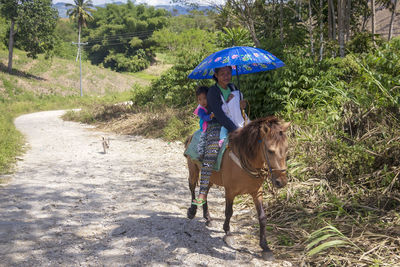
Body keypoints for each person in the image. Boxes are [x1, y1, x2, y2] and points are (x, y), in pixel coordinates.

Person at [192, 66, 246, 206]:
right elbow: (220, 114)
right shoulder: (213, 92)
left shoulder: (233, 86)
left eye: (228, 73)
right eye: (222, 74)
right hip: (216, 125)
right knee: (211, 151)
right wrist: (234, 130)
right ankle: (203, 191)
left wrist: (242, 105)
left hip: (236, 121)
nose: (226, 76)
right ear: (216, 75)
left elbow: (236, 107)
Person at [193, 86, 214, 160]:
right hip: (205, 126)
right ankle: (201, 153)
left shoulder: (210, 105)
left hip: (212, 125)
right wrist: (210, 116)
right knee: (203, 138)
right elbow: (204, 117)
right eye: (200, 99)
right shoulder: (200, 109)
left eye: (205, 98)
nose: (203, 101)